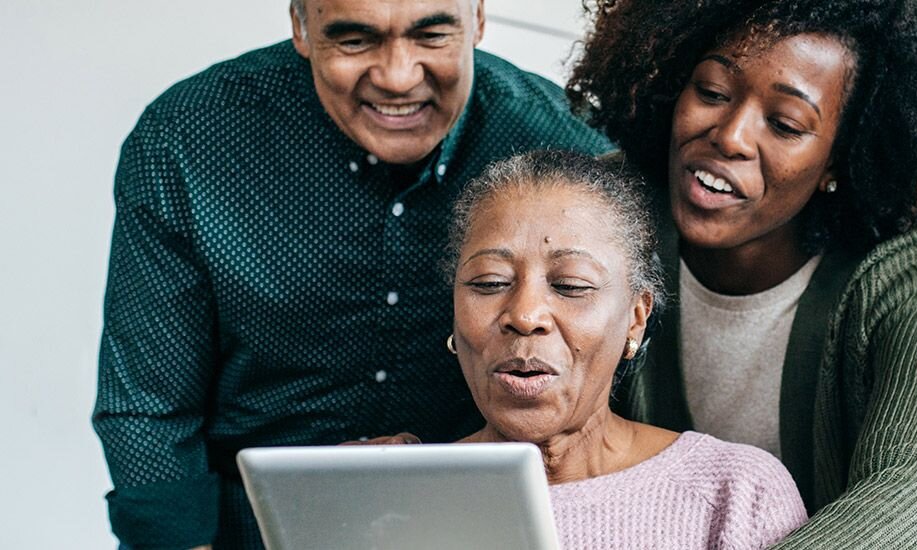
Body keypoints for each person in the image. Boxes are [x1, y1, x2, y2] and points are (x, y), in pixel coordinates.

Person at [91, 0, 612, 547]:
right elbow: (149, 405)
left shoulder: (573, 152)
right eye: (355, 40)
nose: (397, 77)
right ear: (300, 24)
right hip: (235, 532)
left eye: (431, 35)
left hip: (479, 529)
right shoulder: (187, 140)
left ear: (477, 17)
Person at [567, 0, 917, 547]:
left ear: (840, 159)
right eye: (712, 92)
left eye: (786, 124)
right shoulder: (605, 214)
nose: (732, 136)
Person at [431, 149, 805, 548]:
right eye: (489, 282)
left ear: (635, 319)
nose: (524, 316)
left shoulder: (736, 496)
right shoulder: (399, 496)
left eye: (571, 285)